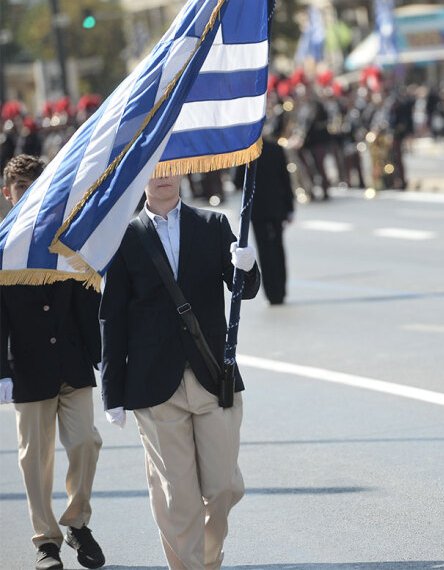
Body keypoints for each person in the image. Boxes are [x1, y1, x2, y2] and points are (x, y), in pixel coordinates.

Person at [100, 173, 261, 569]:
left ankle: (207, 558)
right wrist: (112, 393)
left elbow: (243, 289)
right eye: (153, 170)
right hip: (153, 383)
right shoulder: (123, 237)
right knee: (179, 498)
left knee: (223, 487)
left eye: (169, 167)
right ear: (141, 178)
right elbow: (112, 318)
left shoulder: (212, 223)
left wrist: (247, 266)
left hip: (213, 376)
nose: (163, 177)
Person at [1, 154, 105, 570]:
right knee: (34, 457)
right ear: (7, 194)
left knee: (85, 442)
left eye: (34, 186)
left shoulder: (67, 239)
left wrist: (104, 358)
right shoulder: (2, 246)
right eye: (20, 187)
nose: (27, 193)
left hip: (72, 362)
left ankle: (77, 523)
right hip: (27, 370)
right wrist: (1, 372)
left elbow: (87, 303)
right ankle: (46, 541)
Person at [234, 130, 295, 305]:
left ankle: (271, 293)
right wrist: (290, 208)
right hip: (277, 207)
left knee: (264, 250)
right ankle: (281, 291)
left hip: (257, 209)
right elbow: (286, 180)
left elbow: (237, 182)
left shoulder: (246, 153)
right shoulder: (276, 149)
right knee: (278, 248)